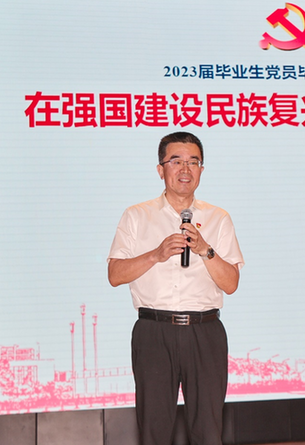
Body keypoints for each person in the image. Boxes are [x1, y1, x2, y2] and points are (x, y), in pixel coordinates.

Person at [107, 131, 244, 445]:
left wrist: (206, 250)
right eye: (176, 161)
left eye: (193, 162)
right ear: (161, 169)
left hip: (205, 331)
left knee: (208, 430)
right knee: (154, 429)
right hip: (154, 332)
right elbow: (114, 274)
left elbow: (231, 284)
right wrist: (155, 255)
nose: (185, 169)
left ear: (201, 170)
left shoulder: (218, 218)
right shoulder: (137, 216)